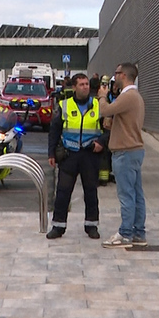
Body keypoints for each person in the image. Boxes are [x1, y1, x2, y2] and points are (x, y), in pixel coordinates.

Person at [46, 73, 104, 240]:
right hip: (69, 155)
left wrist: (102, 142)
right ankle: (58, 226)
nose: (85, 87)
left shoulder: (98, 105)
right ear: (74, 87)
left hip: (90, 155)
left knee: (91, 192)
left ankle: (91, 226)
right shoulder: (64, 105)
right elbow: (54, 130)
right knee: (63, 192)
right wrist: (51, 153)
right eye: (81, 84)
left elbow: (108, 129)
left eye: (87, 84)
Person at [98, 62, 146, 248]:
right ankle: (138, 233)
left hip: (125, 152)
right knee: (136, 193)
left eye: (116, 73)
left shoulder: (129, 96)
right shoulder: (135, 97)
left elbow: (105, 110)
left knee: (126, 195)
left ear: (124, 75)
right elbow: (124, 120)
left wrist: (102, 97)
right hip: (133, 150)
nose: (113, 77)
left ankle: (126, 233)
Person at [97, 77, 120, 186]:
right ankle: (103, 178)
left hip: (116, 127)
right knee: (104, 153)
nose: (115, 87)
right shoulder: (107, 96)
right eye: (113, 84)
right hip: (105, 127)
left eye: (117, 85)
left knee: (113, 153)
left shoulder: (121, 97)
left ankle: (111, 174)